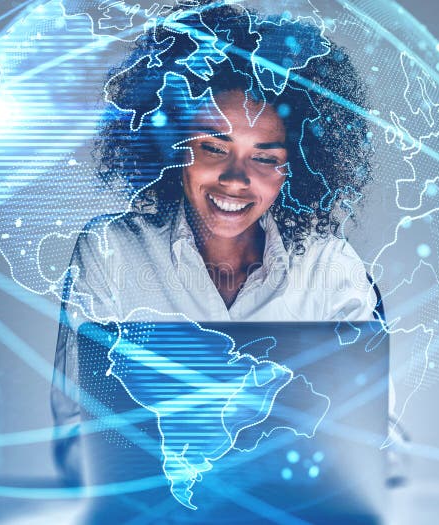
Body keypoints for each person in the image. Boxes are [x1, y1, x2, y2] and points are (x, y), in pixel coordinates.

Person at [51, 1, 381, 485]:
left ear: (294, 170)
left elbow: (371, 439)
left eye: (265, 158)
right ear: (175, 148)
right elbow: (77, 434)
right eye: (213, 148)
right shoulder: (110, 253)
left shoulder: (327, 264)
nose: (236, 179)